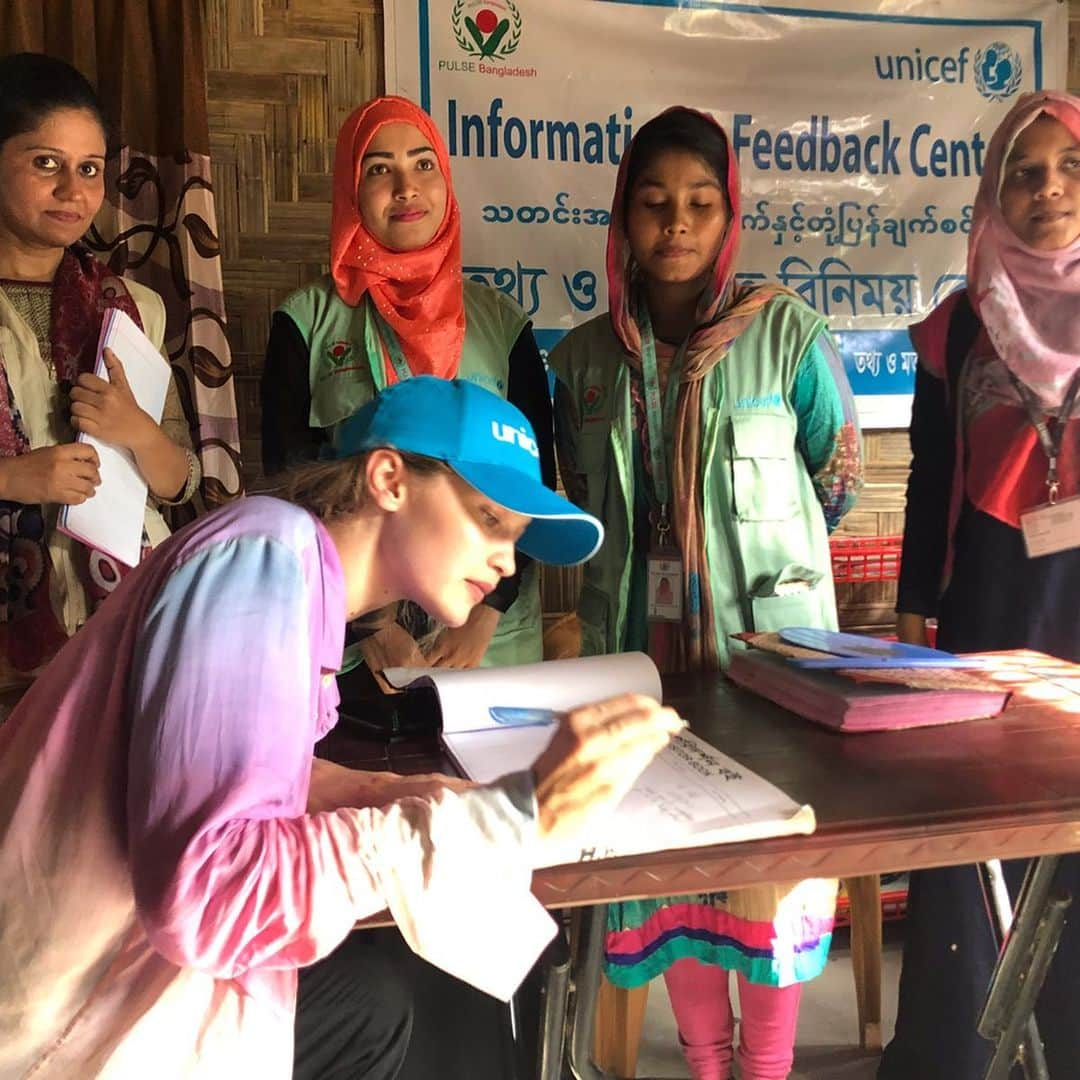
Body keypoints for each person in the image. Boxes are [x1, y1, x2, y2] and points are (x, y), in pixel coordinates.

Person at [0, 374, 683, 1079]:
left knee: (383, 1000)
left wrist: (402, 794)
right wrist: (506, 819)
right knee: (399, 1004)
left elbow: (241, 772)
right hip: (64, 1020)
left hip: (101, 981)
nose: (509, 559)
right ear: (389, 477)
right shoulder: (260, 560)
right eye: (489, 519)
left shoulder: (294, 573)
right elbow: (207, 897)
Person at [550, 106, 863, 1080]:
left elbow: (836, 475)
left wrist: (744, 552)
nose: (675, 225)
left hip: (765, 654)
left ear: (730, 216)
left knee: (768, 870)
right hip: (642, 660)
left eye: (699, 203)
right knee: (668, 879)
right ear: (623, 219)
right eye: (653, 205)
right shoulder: (585, 360)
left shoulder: (788, 337)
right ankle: (705, 1063)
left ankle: (764, 1071)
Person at [880, 90, 1080, 1080]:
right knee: (972, 837)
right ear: (994, 191)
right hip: (987, 607)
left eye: (1068, 168)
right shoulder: (957, 328)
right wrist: (915, 604)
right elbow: (931, 471)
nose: (1046, 187)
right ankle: (951, 1054)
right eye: (1023, 171)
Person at [261, 94, 553, 676]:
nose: (406, 187)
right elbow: (288, 485)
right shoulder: (306, 322)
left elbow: (534, 484)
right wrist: (371, 626)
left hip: (488, 637)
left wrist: (486, 614)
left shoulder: (501, 322)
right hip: (351, 640)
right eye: (378, 169)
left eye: (424, 165)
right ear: (350, 190)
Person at [0, 53, 201, 695]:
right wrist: (10, 478)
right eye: (45, 163)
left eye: (89, 169)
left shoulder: (134, 310)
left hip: (126, 634)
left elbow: (177, 481)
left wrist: (137, 430)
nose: (73, 191)